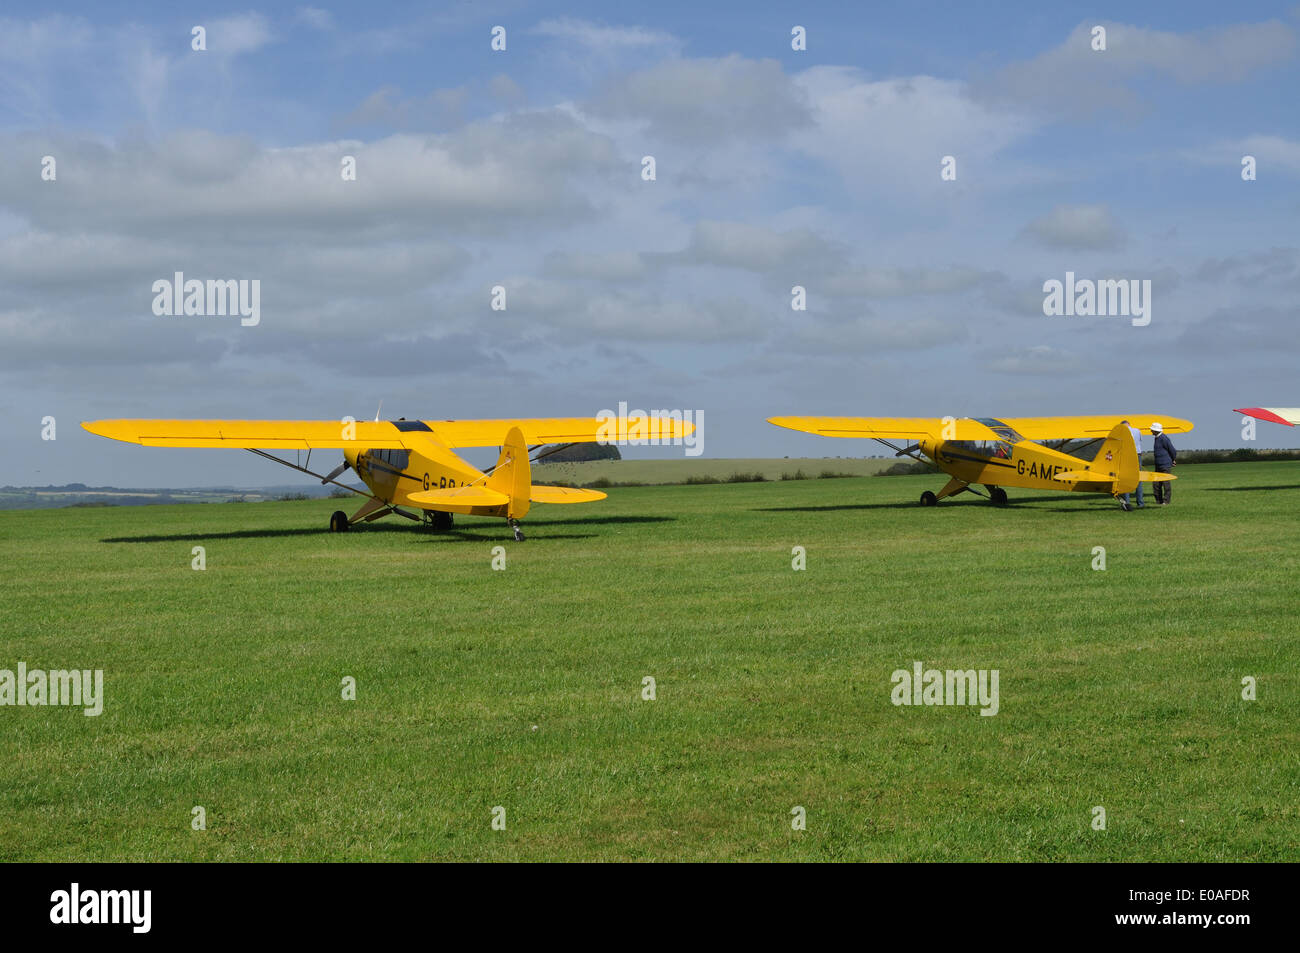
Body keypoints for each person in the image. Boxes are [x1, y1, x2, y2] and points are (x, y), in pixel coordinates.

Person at [1119, 420, 1144, 511]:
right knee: (1138, 478)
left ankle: (1127, 502)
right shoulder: (1137, 431)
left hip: (1126, 456)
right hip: (1138, 455)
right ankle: (1140, 502)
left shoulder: (1122, 432)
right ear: (1129, 424)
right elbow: (1140, 440)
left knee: (1126, 478)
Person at [1151, 421, 1176, 505]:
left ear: (1156, 430)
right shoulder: (1157, 438)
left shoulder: (1163, 438)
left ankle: (1166, 501)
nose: (1151, 431)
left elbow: (1172, 450)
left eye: (1152, 430)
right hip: (1158, 465)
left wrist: (1173, 459)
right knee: (1156, 484)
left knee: (1166, 483)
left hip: (1165, 465)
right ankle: (1159, 501)